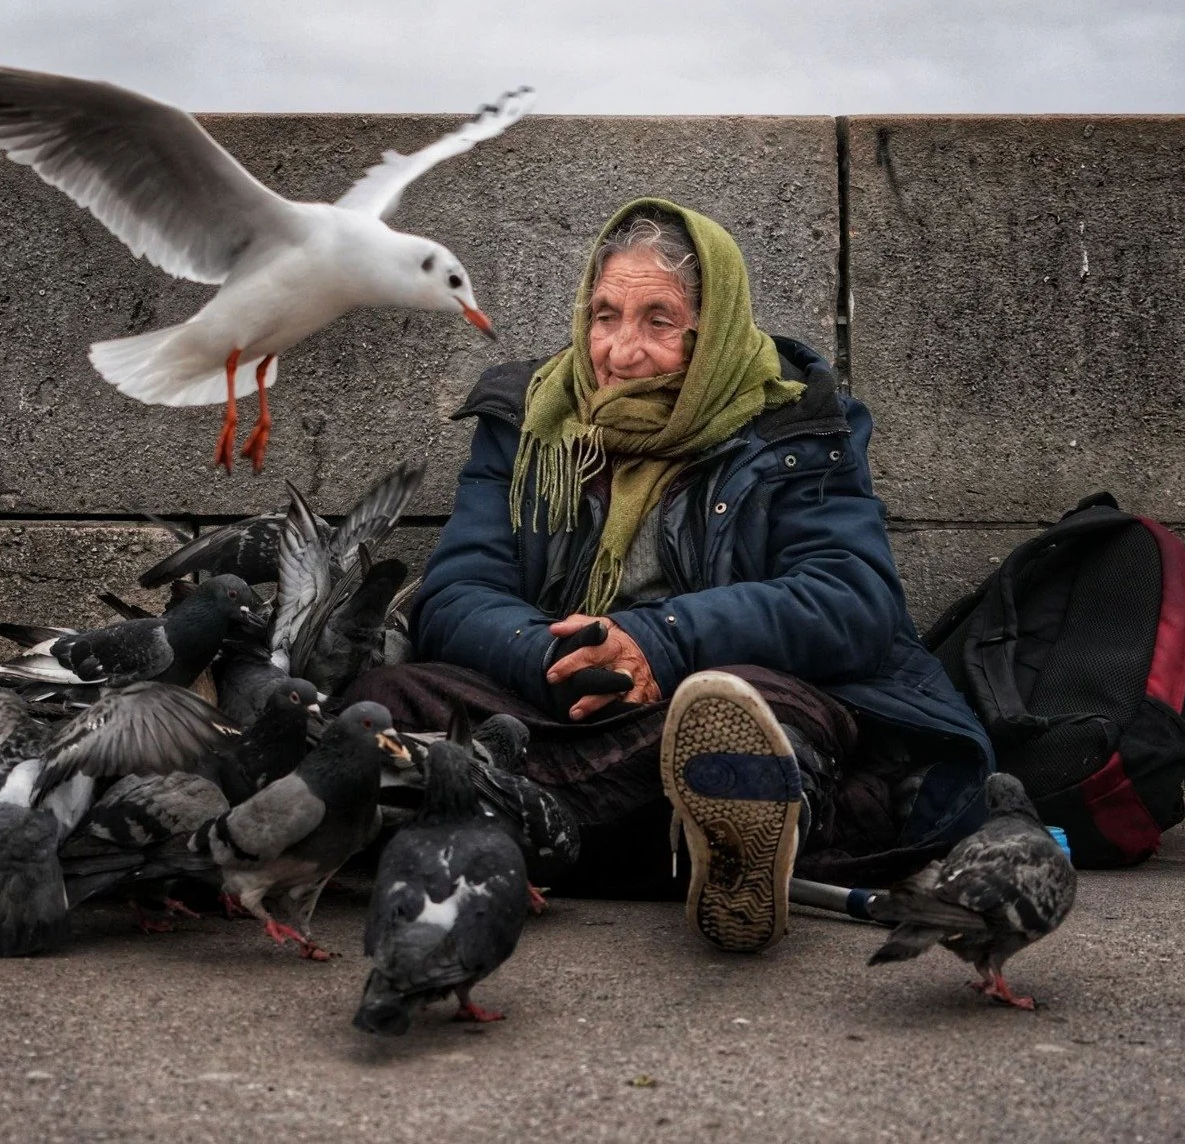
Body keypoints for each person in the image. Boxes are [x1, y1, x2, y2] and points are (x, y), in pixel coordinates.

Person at [345, 197, 992, 953]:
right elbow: (456, 593)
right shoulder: (528, 421)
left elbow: (853, 600)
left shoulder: (797, 425)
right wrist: (554, 653)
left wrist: (663, 640)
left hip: (709, 696)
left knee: (754, 708)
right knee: (380, 702)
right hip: (560, 703)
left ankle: (517, 818)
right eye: (605, 314)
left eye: (659, 321)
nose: (621, 350)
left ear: (710, 328)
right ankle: (695, 828)